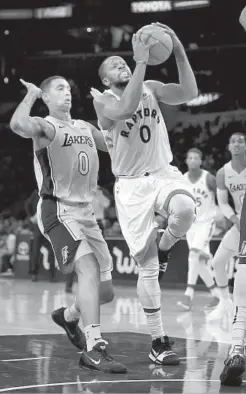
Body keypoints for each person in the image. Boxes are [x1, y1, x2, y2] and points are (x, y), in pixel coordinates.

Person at [91, 23, 198, 364]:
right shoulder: (102, 100)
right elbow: (125, 109)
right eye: (114, 66)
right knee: (147, 268)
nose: (121, 64)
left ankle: (166, 244)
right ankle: (157, 341)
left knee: (185, 209)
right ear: (106, 80)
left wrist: (178, 48)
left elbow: (188, 93)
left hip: (162, 172)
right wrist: (139, 62)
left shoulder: (150, 86)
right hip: (132, 186)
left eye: (123, 62)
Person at [10, 75, 127, 373]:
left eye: (68, 88)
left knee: (106, 292)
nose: (67, 93)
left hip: (86, 212)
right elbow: (17, 125)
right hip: (57, 208)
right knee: (87, 268)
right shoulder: (46, 127)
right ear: (46, 98)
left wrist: (111, 106)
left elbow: (117, 144)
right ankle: (94, 346)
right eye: (58, 89)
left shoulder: (85, 127)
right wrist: (30, 96)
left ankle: (70, 315)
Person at [219, 8, 246, 386]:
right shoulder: (226, 171)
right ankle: (238, 347)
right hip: (239, 219)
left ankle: (239, 346)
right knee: (239, 265)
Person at [207, 132, 246, 322]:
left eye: (241, 141)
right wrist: (234, 218)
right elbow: (222, 202)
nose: (237, 144)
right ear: (229, 147)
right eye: (233, 141)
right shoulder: (223, 173)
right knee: (217, 263)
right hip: (240, 224)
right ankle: (224, 303)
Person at [177, 148, 219, 311]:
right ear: (186, 161)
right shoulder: (182, 180)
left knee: (193, 255)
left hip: (206, 223)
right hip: (191, 225)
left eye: (196, 158)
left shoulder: (208, 178)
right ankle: (217, 295)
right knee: (199, 262)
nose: (193, 160)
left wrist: (223, 212)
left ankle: (188, 295)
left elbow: (222, 194)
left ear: (201, 161)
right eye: (190, 158)